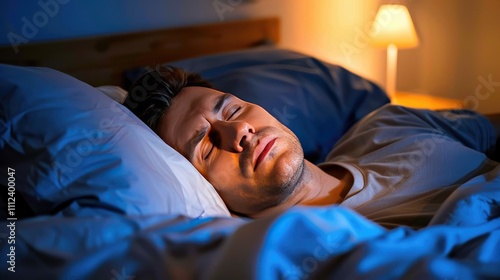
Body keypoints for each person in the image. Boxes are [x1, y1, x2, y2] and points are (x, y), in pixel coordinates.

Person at [124, 65, 500, 228]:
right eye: (205, 147)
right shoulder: (298, 251)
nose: (239, 130)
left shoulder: (389, 125)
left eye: (234, 109)